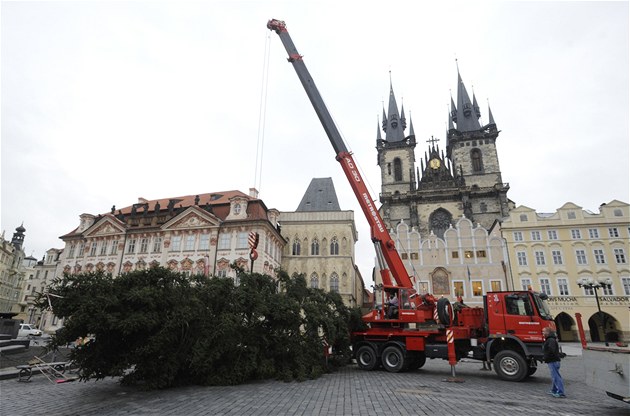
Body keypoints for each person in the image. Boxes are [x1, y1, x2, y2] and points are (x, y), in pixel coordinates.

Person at [542, 327, 566, 398]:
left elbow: (551, 350)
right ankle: (554, 390)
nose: (542, 333)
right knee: (554, 376)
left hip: (553, 361)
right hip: (553, 360)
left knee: (556, 377)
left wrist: (546, 357)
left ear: (547, 332)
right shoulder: (551, 339)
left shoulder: (550, 340)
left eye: (543, 332)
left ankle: (561, 392)